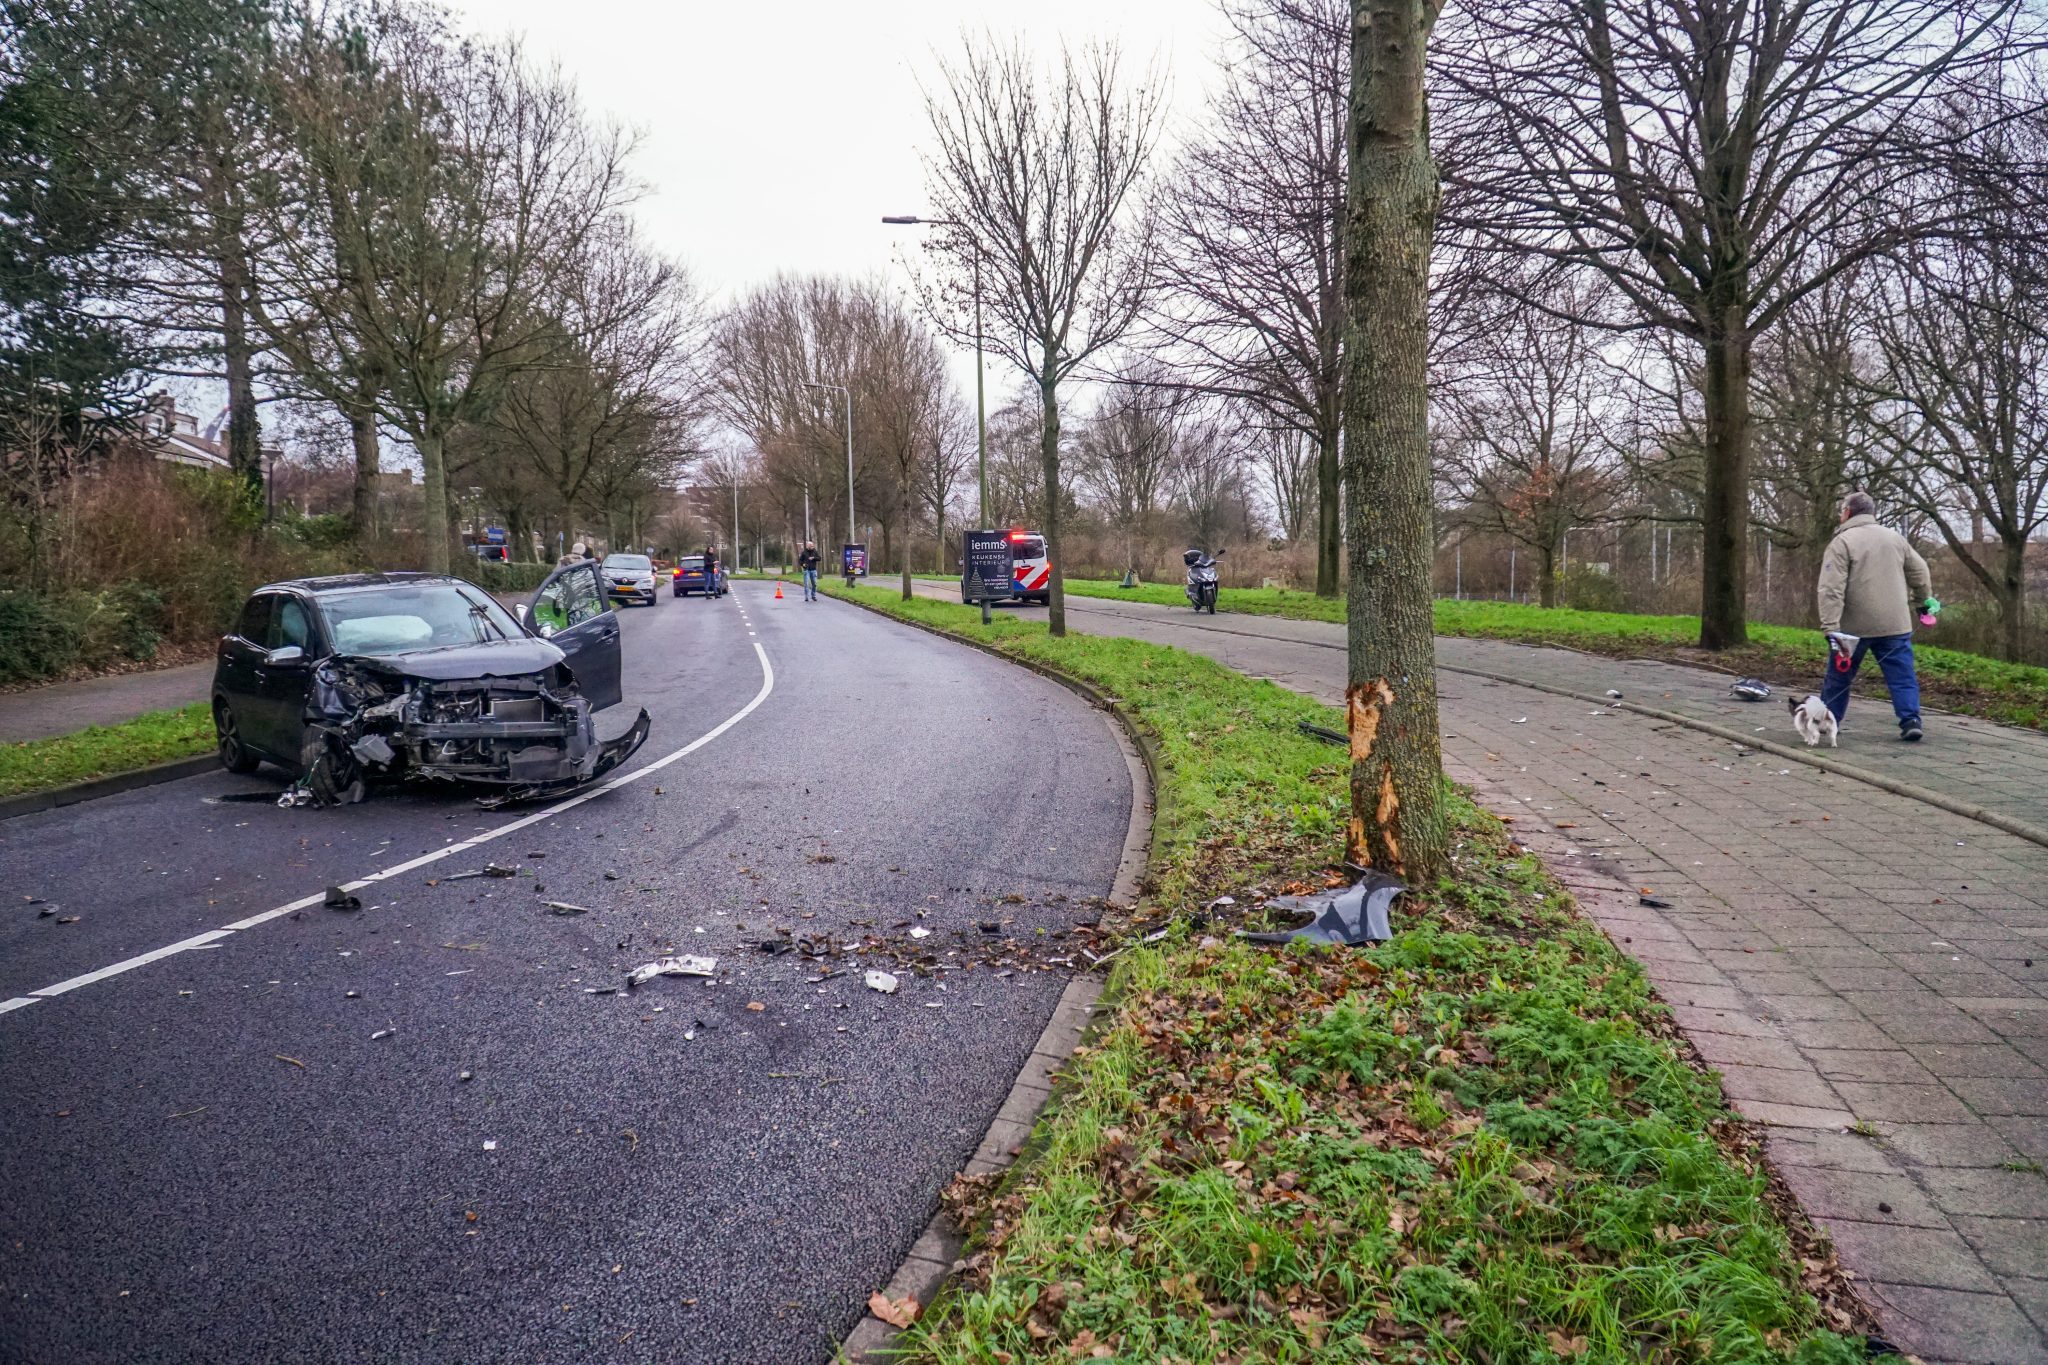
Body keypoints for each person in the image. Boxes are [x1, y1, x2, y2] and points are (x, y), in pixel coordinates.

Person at [1817, 490, 1935, 742]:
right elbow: (1921, 572)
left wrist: (1830, 627)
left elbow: (1831, 589)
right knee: (1902, 676)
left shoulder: (1842, 542)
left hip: (1853, 628)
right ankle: (1910, 719)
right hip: (1895, 624)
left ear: (1847, 513)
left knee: (1839, 677)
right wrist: (1922, 603)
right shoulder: (1895, 538)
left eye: (1841, 511)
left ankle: (1828, 721)